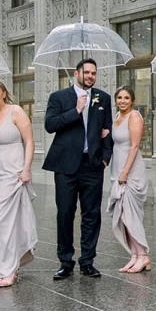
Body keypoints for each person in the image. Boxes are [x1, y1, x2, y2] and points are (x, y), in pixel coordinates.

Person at [43, 58, 113, 280]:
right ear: (76, 73)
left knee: (91, 214)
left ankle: (87, 261)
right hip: (65, 165)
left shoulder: (103, 98)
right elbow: (50, 125)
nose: (90, 76)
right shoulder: (58, 97)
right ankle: (65, 261)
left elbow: (108, 129)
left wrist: (104, 158)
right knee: (65, 213)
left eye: (94, 73)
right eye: (87, 72)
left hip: (92, 165)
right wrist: (76, 110)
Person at [0, 79, 37, 287]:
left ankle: (10, 269)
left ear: (4, 92)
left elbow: (29, 141)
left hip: (14, 171)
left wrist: (26, 168)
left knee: (10, 222)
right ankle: (1, 266)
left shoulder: (16, 111)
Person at [108, 86, 149, 273]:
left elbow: (134, 146)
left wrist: (125, 171)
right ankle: (134, 255)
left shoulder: (134, 116)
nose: (122, 101)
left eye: (126, 98)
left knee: (130, 214)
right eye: (119, 97)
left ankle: (143, 255)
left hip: (130, 170)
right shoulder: (116, 117)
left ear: (132, 100)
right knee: (123, 215)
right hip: (117, 168)